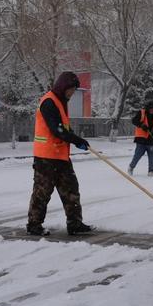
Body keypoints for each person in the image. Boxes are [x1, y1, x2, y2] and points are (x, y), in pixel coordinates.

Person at [26, 72, 93, 236]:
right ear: (63, 87)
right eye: (70, 89)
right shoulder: (49, 102)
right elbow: (57, 130)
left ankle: (75, 223)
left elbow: (65, 129)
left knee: (71, 189)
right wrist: (76, 140)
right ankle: (34, 225)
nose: (72, 93)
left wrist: (77, 139)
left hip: (60, 156)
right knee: (42, 192)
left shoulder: (61, 102)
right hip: (46, 157)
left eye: (74, 90)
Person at [128, 100, 153, 177]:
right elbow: (134, 120)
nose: (152, 110)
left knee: (152, 155)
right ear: (148, 108)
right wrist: (142, 125)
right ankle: (131, 167)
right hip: (141, 138)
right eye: (151, 108)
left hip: (150, 138)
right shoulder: (141, 112)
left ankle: (151, 171)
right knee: (138, 155)